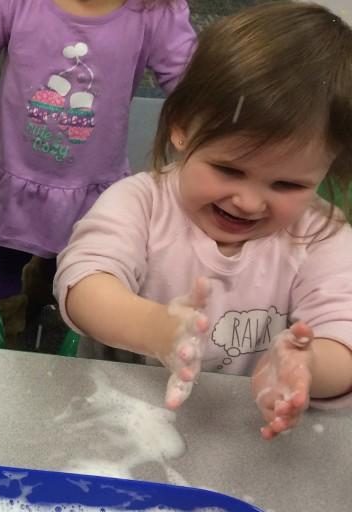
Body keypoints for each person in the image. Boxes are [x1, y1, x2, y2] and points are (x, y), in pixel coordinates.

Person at [54, 1, 352, 440]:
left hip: (243, 432)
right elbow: (83, 284)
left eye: (287, 185)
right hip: (114, 417)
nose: (249, 202)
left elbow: (343, 342)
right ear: (181, 128)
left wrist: (304, 366)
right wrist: (155, 329)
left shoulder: (321, 236)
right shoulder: (139, 203)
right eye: (229, 170)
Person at [0, 0, 196, 346]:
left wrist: (214, 127)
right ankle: (4, 325)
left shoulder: (152, 12)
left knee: (80, 264)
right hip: (14, 176)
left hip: (90, 184)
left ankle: (51, 298)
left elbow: (193, 83)